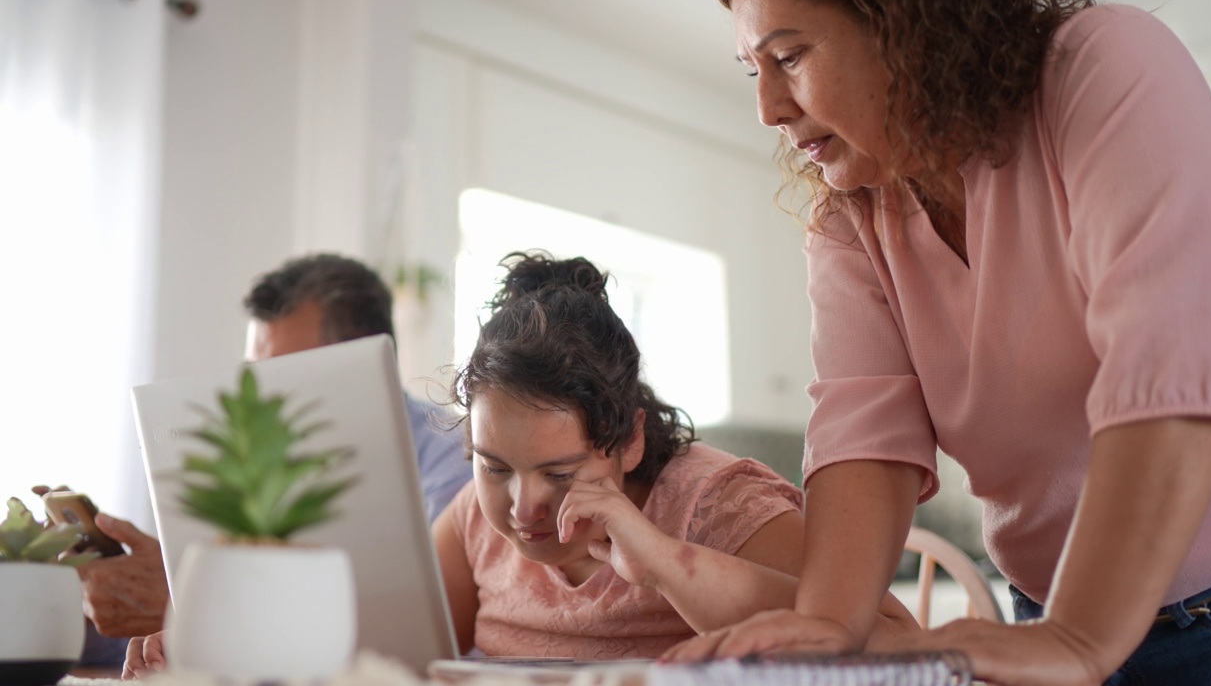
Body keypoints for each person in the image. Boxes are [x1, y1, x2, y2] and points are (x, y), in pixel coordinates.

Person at [665, 0, 1211, 684]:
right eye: (753, 73)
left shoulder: (1102, 63)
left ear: (905, 16)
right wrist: (827, 622)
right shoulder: (850, 222)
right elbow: (865, 435)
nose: (768, 109)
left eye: (790, 57)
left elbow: (1174, 348)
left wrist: (1080, 636)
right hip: (1050, 616)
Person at [433, 252, 914, 659]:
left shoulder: (719, 506)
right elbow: (403, 654)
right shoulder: (472, 519)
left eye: (559, 473)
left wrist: (665, 563)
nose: (523, 508)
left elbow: (905, 644)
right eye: (494, 467)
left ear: (630, 441)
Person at [70, 253, 471, 671]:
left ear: (368, 360)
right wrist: (88, 621)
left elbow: (423, 645)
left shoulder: (457, 459)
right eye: (251, 377)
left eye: (284, 377)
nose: (262, 400)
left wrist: (191, 608)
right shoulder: (261, 468)